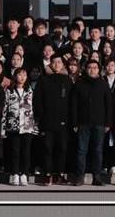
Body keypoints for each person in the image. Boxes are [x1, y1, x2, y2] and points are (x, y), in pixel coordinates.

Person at [70, 60, 113, 186]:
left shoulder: (103, 84)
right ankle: (80, 176)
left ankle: (97, 176)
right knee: (81, 150)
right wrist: (74, 122)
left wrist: (108, 123)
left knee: (97, 150)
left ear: (99, 70)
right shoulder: (79, 83)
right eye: (89, 67)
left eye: (95, 67)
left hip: (99, 123)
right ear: (85, 69)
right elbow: (73, 104)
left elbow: (108, 105)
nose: (92, 70)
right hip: (82, 122)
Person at [33, 55, 73, 185]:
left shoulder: (67, 80)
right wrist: (40, 117)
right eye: (54, 62)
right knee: (47, 148)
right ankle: (48, 174)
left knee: (62, 148)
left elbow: (72, 101)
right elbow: (37, 100)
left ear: (63, 65)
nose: (56, 64)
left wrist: (70, 119)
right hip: (47, 121)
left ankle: (60, 174)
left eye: (59, 62)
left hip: (63, 121)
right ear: (50, 64)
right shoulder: (43, 80)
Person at [2, 68, 38, 186]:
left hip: (27, 125)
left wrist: (35, 126)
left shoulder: (29, 90)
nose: (22, 77)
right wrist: (3, 127)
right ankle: (15, 174)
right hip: (13, 125)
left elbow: (33, 108)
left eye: (24, 75)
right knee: (15, 151)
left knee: (26, 152)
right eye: (19, 75)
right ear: (15, 76)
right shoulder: (9, 91)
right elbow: (4, 109)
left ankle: (24, 174)